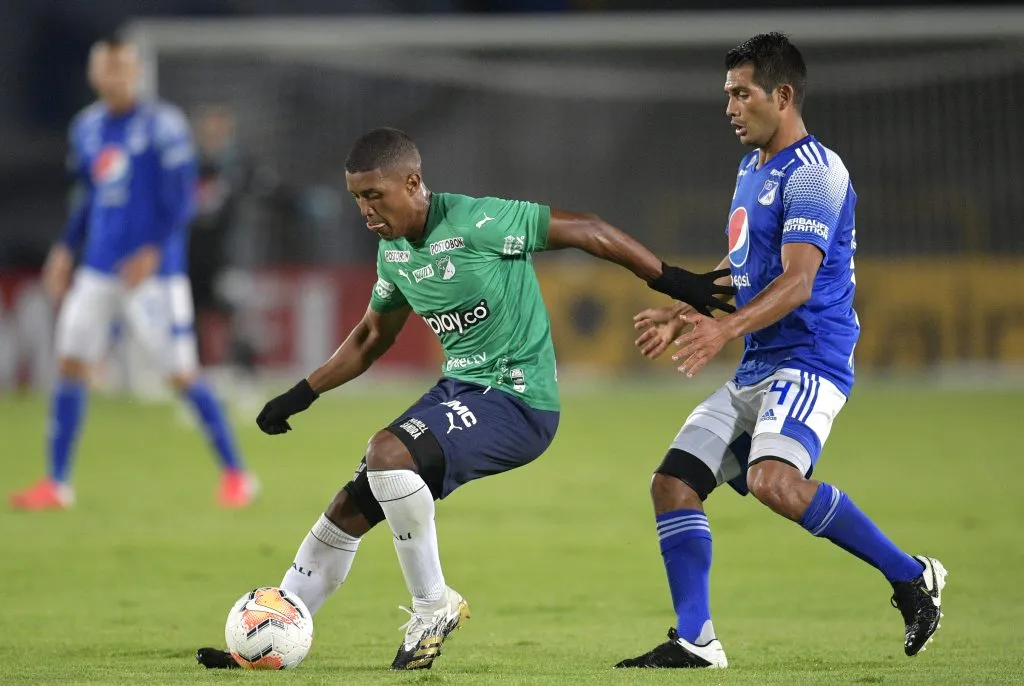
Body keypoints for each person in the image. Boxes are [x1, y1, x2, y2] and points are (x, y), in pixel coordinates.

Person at [196, 126, 734, 671]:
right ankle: (271, 632)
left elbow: (589, 229)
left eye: (374, 195)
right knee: (349, 507)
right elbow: (369, 337)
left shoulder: (481, 221)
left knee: (387, 453)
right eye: (357, 198)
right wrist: (301, 393)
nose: (366, 210)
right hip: (461, 390)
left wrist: (670, 280)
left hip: (521, 401)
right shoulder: (393, 253)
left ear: (412, 182)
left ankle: (434, 606)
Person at [617, 33, 946, 669]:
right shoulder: (753, 169)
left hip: (811, 357)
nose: (731, 108)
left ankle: (912, 577)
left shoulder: (818, 173)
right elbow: (745, 270)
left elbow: (796, 283)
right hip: (760, 362)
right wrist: (685, 313)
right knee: (672, 485)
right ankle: (696, 640)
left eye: (742, 94)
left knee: (774, 480)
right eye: (727, 95)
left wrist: (725, 329)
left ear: (783, 95)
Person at [9, 39, 257, 511]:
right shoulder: (87, 128)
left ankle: (236, 474)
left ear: (137, 73)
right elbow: (88, 197)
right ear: (93, 74)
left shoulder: (163, 126)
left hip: (155, 275)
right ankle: (57, 483)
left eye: (123, 68)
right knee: (71, 364)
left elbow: (185, 199)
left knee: (181, 374)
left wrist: (152, 250)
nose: (115, 76)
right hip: (98, 269)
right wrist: (64, 249)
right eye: (107, 68)